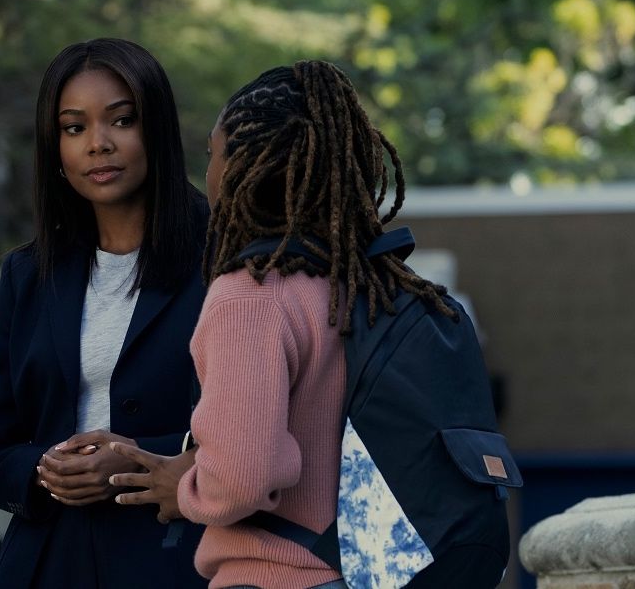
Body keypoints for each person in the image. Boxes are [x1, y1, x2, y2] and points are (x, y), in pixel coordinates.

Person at [111, 60, 459, 588]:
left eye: (214, 154)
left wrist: (181, 489)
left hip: (280, 575)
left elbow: (244, 475)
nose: (207, 175)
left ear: (243, 168)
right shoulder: (373, 286)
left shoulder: (251, 295)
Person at [0, 38, 209, 588]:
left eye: (122, 120)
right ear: (56, 149)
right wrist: (46, 471)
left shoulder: (225, 260)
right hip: (49, 561)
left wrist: (137, 460)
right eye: (74, 128)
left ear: (158, 129)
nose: (98, 144)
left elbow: (263, 429)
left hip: (181, 557)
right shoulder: (27, 276)